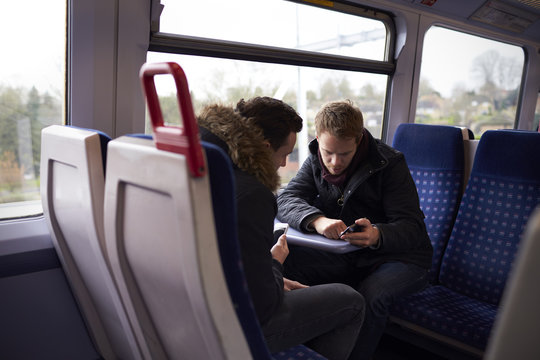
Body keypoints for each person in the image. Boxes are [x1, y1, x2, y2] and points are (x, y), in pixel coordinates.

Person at [197, 96, 365, 360]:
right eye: (284, 154)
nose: (284, 165)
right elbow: (262, 307)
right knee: (351, 301)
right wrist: (274, 265)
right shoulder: (252, 194)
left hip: (195, 307)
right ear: (265, 147)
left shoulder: (203, 166)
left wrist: (267, 275)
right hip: (234, 326)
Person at [276, 100, 433, 360]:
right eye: (328, 153)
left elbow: (412, 228)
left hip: (401, 258)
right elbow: (286, 198)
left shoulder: (389, 164)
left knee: (372, 294)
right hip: (348, 254)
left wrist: (377, 235)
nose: (334, 163)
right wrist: (317, 220)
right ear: (318, 140)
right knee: (286, 264)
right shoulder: (316, 159)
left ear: (359, 140)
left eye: (344, 154)